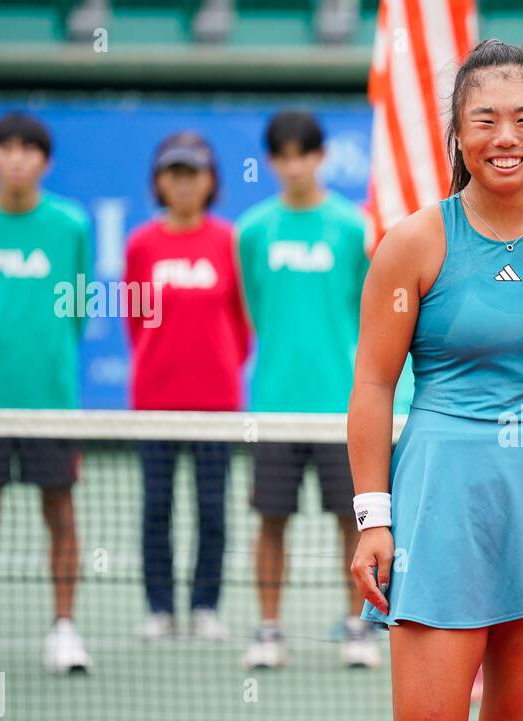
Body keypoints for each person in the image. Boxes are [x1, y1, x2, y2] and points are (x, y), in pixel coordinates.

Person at [348, 40, 523, 721]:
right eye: (484, 120)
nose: (506, 137)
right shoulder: (413, 242)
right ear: (458, 136)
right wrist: (373, 519)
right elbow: (373, 386)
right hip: (441, 507)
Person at [235, 110, 390, 670]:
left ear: (320, 157)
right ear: (272, 161)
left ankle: (357, 626)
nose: (293, 165)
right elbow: (254, 309)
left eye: (303, 153)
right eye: (282, 156)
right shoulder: (252, 230)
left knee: (353, 523)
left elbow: (367, 312)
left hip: (342, 408)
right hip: (274, 407)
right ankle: (269, 630)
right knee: (270, 520)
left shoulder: (353, 228)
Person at [0, 113, 93, 675]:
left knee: (61, 511)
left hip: (51, 400)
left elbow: (78, 308)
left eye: (28, 149)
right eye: (4, 148)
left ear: (45, 161)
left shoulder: (71, 225)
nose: (15, 158)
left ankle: (64, 629)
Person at [125, 131, 249, 643]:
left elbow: (241, 322)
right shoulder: (141, 244)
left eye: (193, 174)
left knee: (211, 508)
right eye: (174, 174)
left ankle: (204, 606)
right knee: (156, 507)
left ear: (210, 182)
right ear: (158, 182)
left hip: (215, 403)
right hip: (155, 402)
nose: (183, 184)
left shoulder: (229, 241)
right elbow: (135, 321)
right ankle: (159, 608)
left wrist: (220, 368)